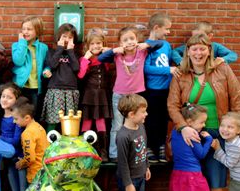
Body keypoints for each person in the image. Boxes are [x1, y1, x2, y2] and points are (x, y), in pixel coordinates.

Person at [167, 33, 240, 191]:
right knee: (192, 179)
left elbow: (239, 100)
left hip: (217, 135)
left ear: (209, 51)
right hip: (190, 135)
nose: (198, 53)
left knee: (216, 182)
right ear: (188, 52)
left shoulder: (222, 70)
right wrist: (184, 127)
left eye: (202, 48)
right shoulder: (180, 75)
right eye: (194, 49)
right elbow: (172, 106)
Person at [98, 26, 162, 162]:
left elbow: (160, 44)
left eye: (132, 38)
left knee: (138, 124)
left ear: (137, 40)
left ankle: (137, 153)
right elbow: (101, 58)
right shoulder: (117, 55)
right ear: (121, 43)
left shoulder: (142, 52)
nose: (129, 42)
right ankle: (114, 154)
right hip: (119, 95)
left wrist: (147, 44)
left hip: (137, 95)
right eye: (125, 40)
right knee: (117, 125)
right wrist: (114, 50)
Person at [144, 13, 181, 163]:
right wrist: (168, 70)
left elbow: (173, 58)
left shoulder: (166, 45)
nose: (169, 32)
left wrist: (182, 62)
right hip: (153, 91)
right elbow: (145, 68)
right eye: (167, 29)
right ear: (156, 27)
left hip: (167, 90)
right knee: (152, 120)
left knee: (163, 120)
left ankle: (160, 147)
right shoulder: (146, 46)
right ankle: (150, 148)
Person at [77, 28, 112, 161]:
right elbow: (80, 75)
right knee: (86, 122)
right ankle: (84, 150)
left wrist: (107, 52)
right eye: (92, 44)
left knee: (101, 122)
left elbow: (111, 67)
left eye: (98, 43)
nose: (95, 46)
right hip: (89, 96)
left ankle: (103, 152)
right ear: (87, 46)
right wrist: (86, 59)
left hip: (102, 96)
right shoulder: (85, 59)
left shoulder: (105, 58)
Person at [41, 23, 79, 132]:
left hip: (71, 91)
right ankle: (50, 145)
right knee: (53, 121)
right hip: (55, 89)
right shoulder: (52, 52)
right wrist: (60, 49)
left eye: (70, 37)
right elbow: (52, 65)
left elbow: (76, 68)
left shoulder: (75, 54)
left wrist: (70, 51)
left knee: (69, 122)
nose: (67, 39)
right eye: (64, 36)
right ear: (59, 37)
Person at [0, 84, 26, 191]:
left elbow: (16, 141)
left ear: (16, 101)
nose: (4, 99)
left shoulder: (16, 118)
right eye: (3, 96)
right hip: (8, 160)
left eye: (9, 97)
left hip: (19, 159)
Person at [12, 16, 49, 113]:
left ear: (37, 31)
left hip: (36, 87)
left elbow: (47, 63)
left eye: (29, 29)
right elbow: (18, 61)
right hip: (20, 86)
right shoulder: (17, 45)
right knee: (19, 112)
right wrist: (22, 43)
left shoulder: (43, 48)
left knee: (34, 113)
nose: (25, 32)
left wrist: (47, 70)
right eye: (23, 29)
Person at [12, 97, 49, 186]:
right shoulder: (39, 127)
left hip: (36, 174)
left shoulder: (27, 133)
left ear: (27, 118)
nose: (14, 121)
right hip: (45, 171)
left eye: (16, 119)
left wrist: (20, 163)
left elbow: (30, 158)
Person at [172, 21, 238, 67]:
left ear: (209, 36)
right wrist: (181, 61)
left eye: (200, 36)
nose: (196, 39)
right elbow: (174, 52)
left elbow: (233, 55)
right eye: (193, 36)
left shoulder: (215, 46)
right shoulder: (191, 46)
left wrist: (222, 59)